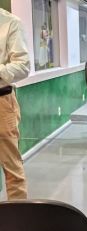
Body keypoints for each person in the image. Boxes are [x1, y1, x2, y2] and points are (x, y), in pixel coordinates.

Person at [0, 8, 29, 200]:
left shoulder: (10, 22)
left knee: (12, 169)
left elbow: (22, 66)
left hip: (2, 102)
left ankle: (19, 224)